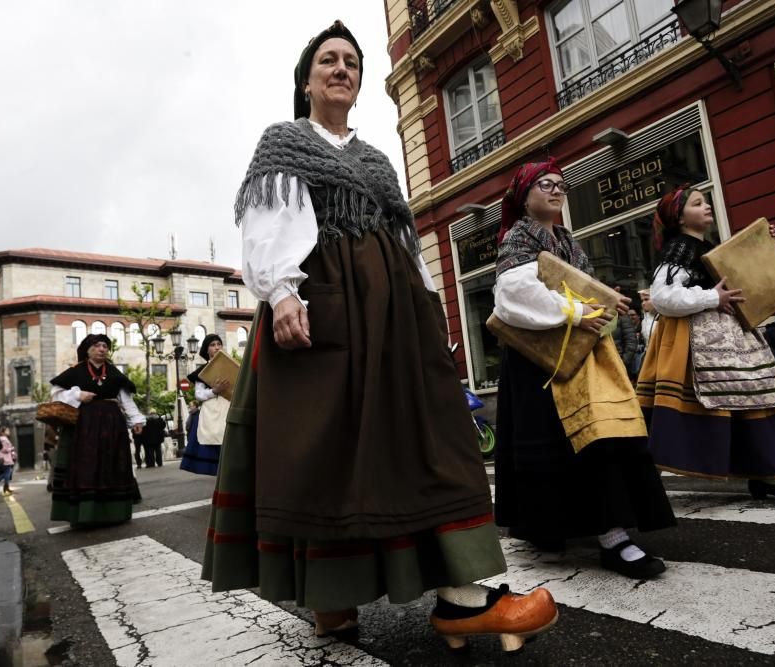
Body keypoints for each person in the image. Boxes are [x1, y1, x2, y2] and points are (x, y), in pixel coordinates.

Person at [202, 20, 557, 652]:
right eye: (328, 61)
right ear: (306, 80)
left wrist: (429, 307)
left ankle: (463, 595)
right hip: (322, 305)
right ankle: (332, 599)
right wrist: (282, 292)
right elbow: (268, 226)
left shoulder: (375, 160)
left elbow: (402, 239)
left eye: (352, 63)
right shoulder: (284, 142)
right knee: (327, 452)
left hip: (395, 315)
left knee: (430, 438)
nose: (341, 69)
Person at [492, 159, 676, 577]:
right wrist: (577, 310)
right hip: (540, 364)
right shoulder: (517, 238)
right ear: (524, 195)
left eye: (561, 185)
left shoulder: (565, 239)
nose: (556, 191)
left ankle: (612, 533)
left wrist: (607, 302)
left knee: (602, 437)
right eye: (545, 185)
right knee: (570, 444)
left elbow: (578, 288)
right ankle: (569, 529)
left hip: (583, 354)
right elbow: (513, 295)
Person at [637, 185, 775, 500]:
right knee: (753, 399)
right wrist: (712, 297)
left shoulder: (701, 246)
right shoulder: (680, 247)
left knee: (760, 399)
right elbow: (663, 296)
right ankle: (770, 476)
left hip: (729, 336)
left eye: (706, 201)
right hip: (702, 340)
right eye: (697, 204)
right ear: (679, 218)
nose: (706, 206)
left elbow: (743, 279)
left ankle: (771, 475)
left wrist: (765, 245)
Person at [49, 333, 145, 526]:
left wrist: (136, 420)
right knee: (87, 466)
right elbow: (56, 394)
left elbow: (125, 398)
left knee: (112, 465)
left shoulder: (114, 372)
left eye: (105, 346)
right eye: (98, 345)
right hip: (84, 426)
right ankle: (86, 514)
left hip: (112, 425)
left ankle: (114, 513)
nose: (102, 349)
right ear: (88, 349)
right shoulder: (76, 371)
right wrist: (78, 395)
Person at [180, 334, 230, 476]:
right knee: (213, 440)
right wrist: (215, 391)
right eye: (213, 345)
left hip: (228, 409)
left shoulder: (230, 366)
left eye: (219, 344)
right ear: (206, 350)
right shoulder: (203, 371)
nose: (217, 347)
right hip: (211, 412)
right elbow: (199, 394)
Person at [0, 426, 17, 495]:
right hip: (5, 458)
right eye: (7, 430)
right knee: (7, 472)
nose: (9, 431)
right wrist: (12, 448)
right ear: (2, 432)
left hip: (4, 458)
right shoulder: (3, 439)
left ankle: (6, 487)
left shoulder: (3, 439)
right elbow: (4, 449)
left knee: (7, 472)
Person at [43, 425, 58, 492]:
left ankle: (50, 484)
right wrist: (57, 437)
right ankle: (50, 484)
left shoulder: (49, 426)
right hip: (50, 448)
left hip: (49, 448)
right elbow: (54, 437)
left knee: (53, 467)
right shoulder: (50, 426)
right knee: (54, 467)